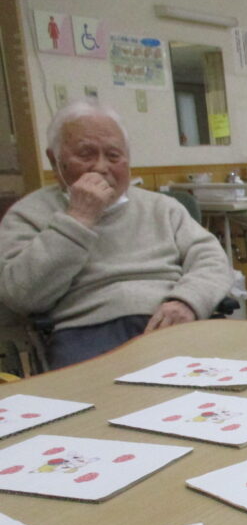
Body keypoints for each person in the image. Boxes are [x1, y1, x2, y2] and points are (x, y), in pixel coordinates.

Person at [0, 100, 233, 369]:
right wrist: (78, 218)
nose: (101, 167)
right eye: (86, 154)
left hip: (169, 321)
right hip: (86, 332)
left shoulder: (162, 208)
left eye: (113, 156)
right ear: (55, 161)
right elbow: (21, 295)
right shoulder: (29, 213)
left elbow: (213, 260)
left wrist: (187, 301)